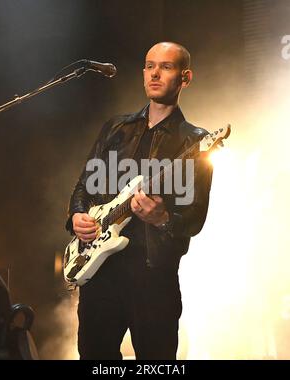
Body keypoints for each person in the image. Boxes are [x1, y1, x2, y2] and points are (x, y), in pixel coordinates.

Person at [65, 42, 213, 360]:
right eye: (149, 66)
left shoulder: (194, 142)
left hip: (152, 279)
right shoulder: (116, 128)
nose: (155, 73)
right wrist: (77, 215)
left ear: (185, 78)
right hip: (100, 275)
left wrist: (162, 219)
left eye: (166, 66)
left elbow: (195, 217)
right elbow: (83, 188)